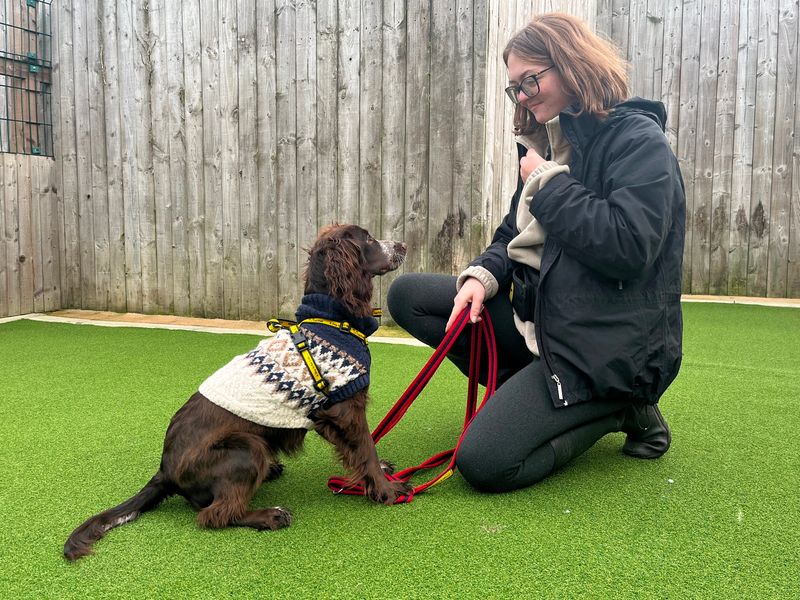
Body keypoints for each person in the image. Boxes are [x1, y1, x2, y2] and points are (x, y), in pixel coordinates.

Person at [387, 13, 685, 493]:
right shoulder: (548, 140)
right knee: (411, 296)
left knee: (486, 463)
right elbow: (514, 230)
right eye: (515, 87)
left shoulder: (638, 141)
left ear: (571, 65)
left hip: (603, 348)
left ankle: (620, 407)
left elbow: (630, 247)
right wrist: (481, 277)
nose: (523, 96)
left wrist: (547, 184)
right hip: (545, 322)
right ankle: (531, 394)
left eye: (531, 80)